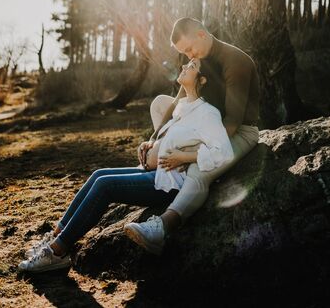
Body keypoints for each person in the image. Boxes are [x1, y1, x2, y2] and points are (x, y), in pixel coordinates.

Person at [18, 57, 233, 272]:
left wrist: (183, 158)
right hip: (156, 172)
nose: (185, 66)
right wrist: (151, 144)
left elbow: (224, 152)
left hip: (169, 184)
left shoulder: (208, 113)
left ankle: (57, 252)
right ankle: (55, 235)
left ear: (203, 80)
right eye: (186, 64)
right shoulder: (183, 106)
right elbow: (171, 137)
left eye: (192, 66)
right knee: (98, 174)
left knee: (106, 186)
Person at [126, 17, 259, 253]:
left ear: (201, 34)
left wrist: (191, 153)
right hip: (206, 120)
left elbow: (232, 122)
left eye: (189, 49)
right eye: (183, 52)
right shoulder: (199, 59)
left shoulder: (234, 61)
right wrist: (154, 138)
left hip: (238, 131)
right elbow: (178, 101)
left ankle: (162, 227)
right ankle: (169, 172)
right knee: (160, 104)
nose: (189, 55)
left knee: (200, 169)